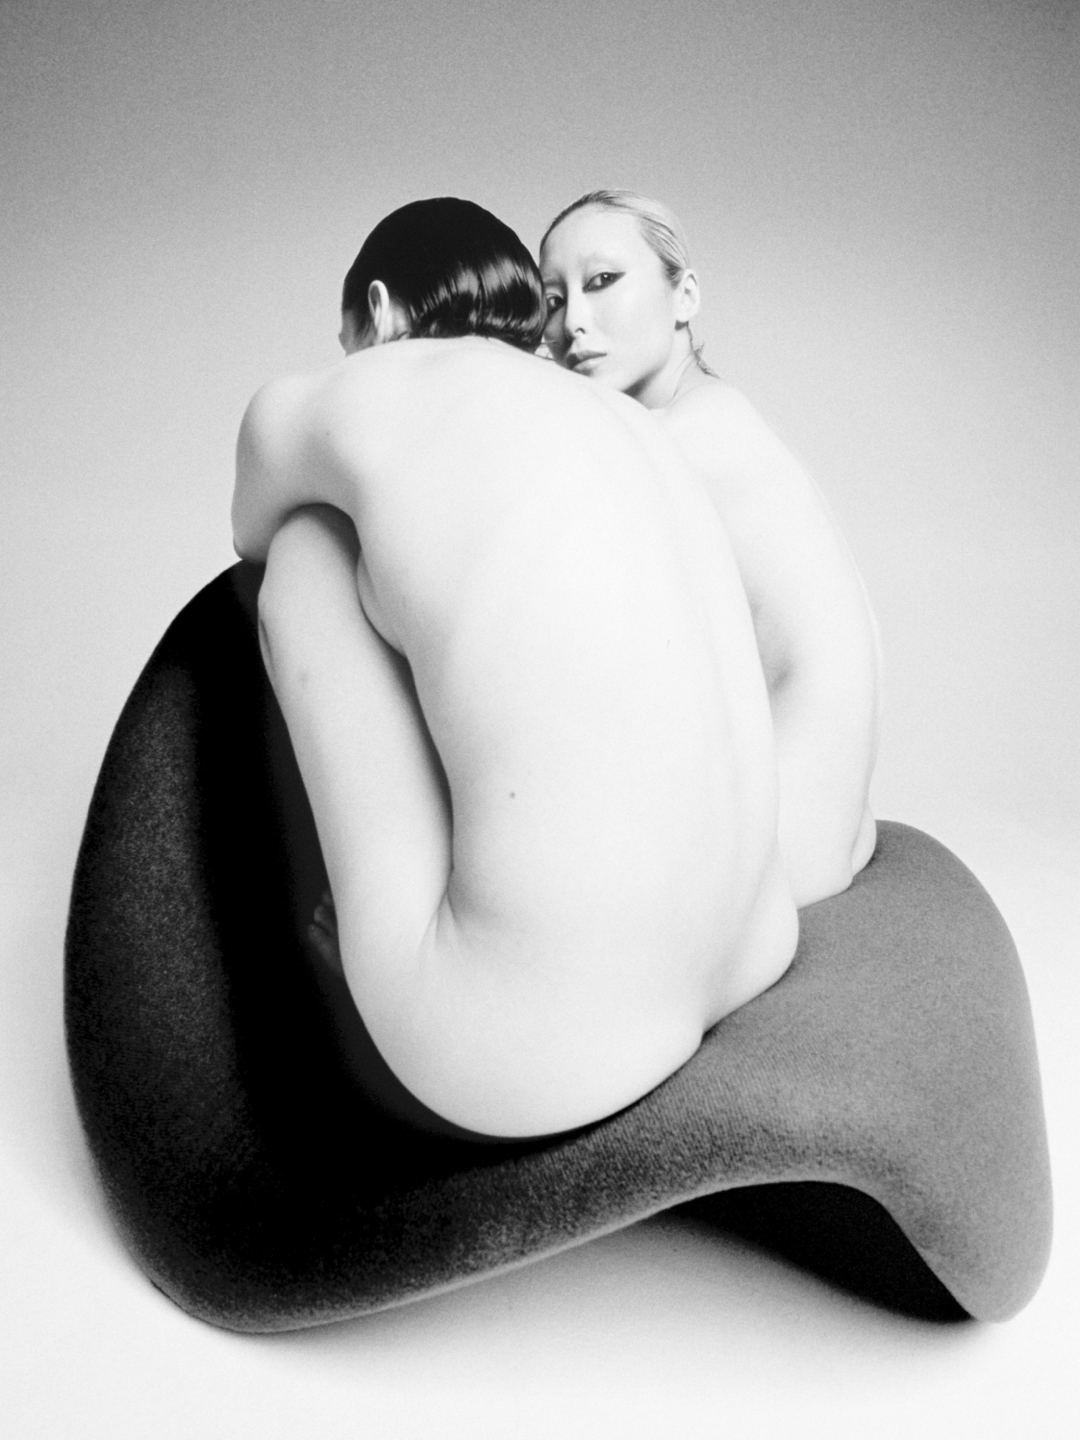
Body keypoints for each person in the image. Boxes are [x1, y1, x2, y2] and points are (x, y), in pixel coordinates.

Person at [232, 197, 798, 1140]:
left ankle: (386, 938)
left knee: (308, 547)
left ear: (378, 311)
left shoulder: (355, 390)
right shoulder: (624, 419)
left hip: (527, 1052)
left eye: (346, 336)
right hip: (753, 948)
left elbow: (248, 527)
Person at [539, 191, 881, 908]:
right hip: (829, 826)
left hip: (784, 848)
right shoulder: (708, 413)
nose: (572, 322)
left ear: (685, 296)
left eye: (602, 281)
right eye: (553, 299)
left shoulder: (683, 439)